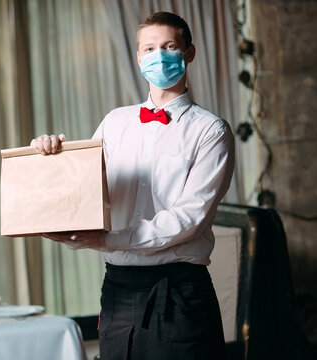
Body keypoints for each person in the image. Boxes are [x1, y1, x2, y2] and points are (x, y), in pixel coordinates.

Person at [31, 11, 234, 360]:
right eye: (150, 48)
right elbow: (84, 192)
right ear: (139, 58)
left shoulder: (211, 131)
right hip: (118, 292)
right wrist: (51, 156)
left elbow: (189, 219)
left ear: (189, 53)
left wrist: (108, 240)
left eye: (169, 46)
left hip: (179, 292)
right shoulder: (115, 122)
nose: (159, 55)